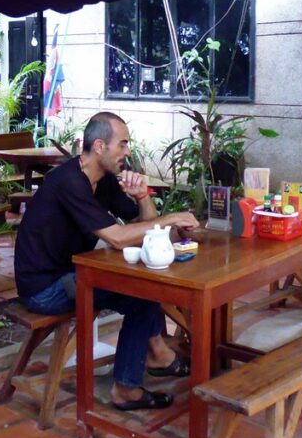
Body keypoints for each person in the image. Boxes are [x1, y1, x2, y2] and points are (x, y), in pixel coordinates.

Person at [14, 112, 200, 411]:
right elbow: (118, 237)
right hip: (45, 288)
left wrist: (142, 197)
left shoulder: (104, 181)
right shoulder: (68, 182)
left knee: (144, 285)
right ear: (99, 146)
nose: (127, 151)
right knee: (141, 295)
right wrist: (173, 217)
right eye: (122, 144)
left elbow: (145, 232)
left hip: (74, 273)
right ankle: (135, 380)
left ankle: (156, 355)